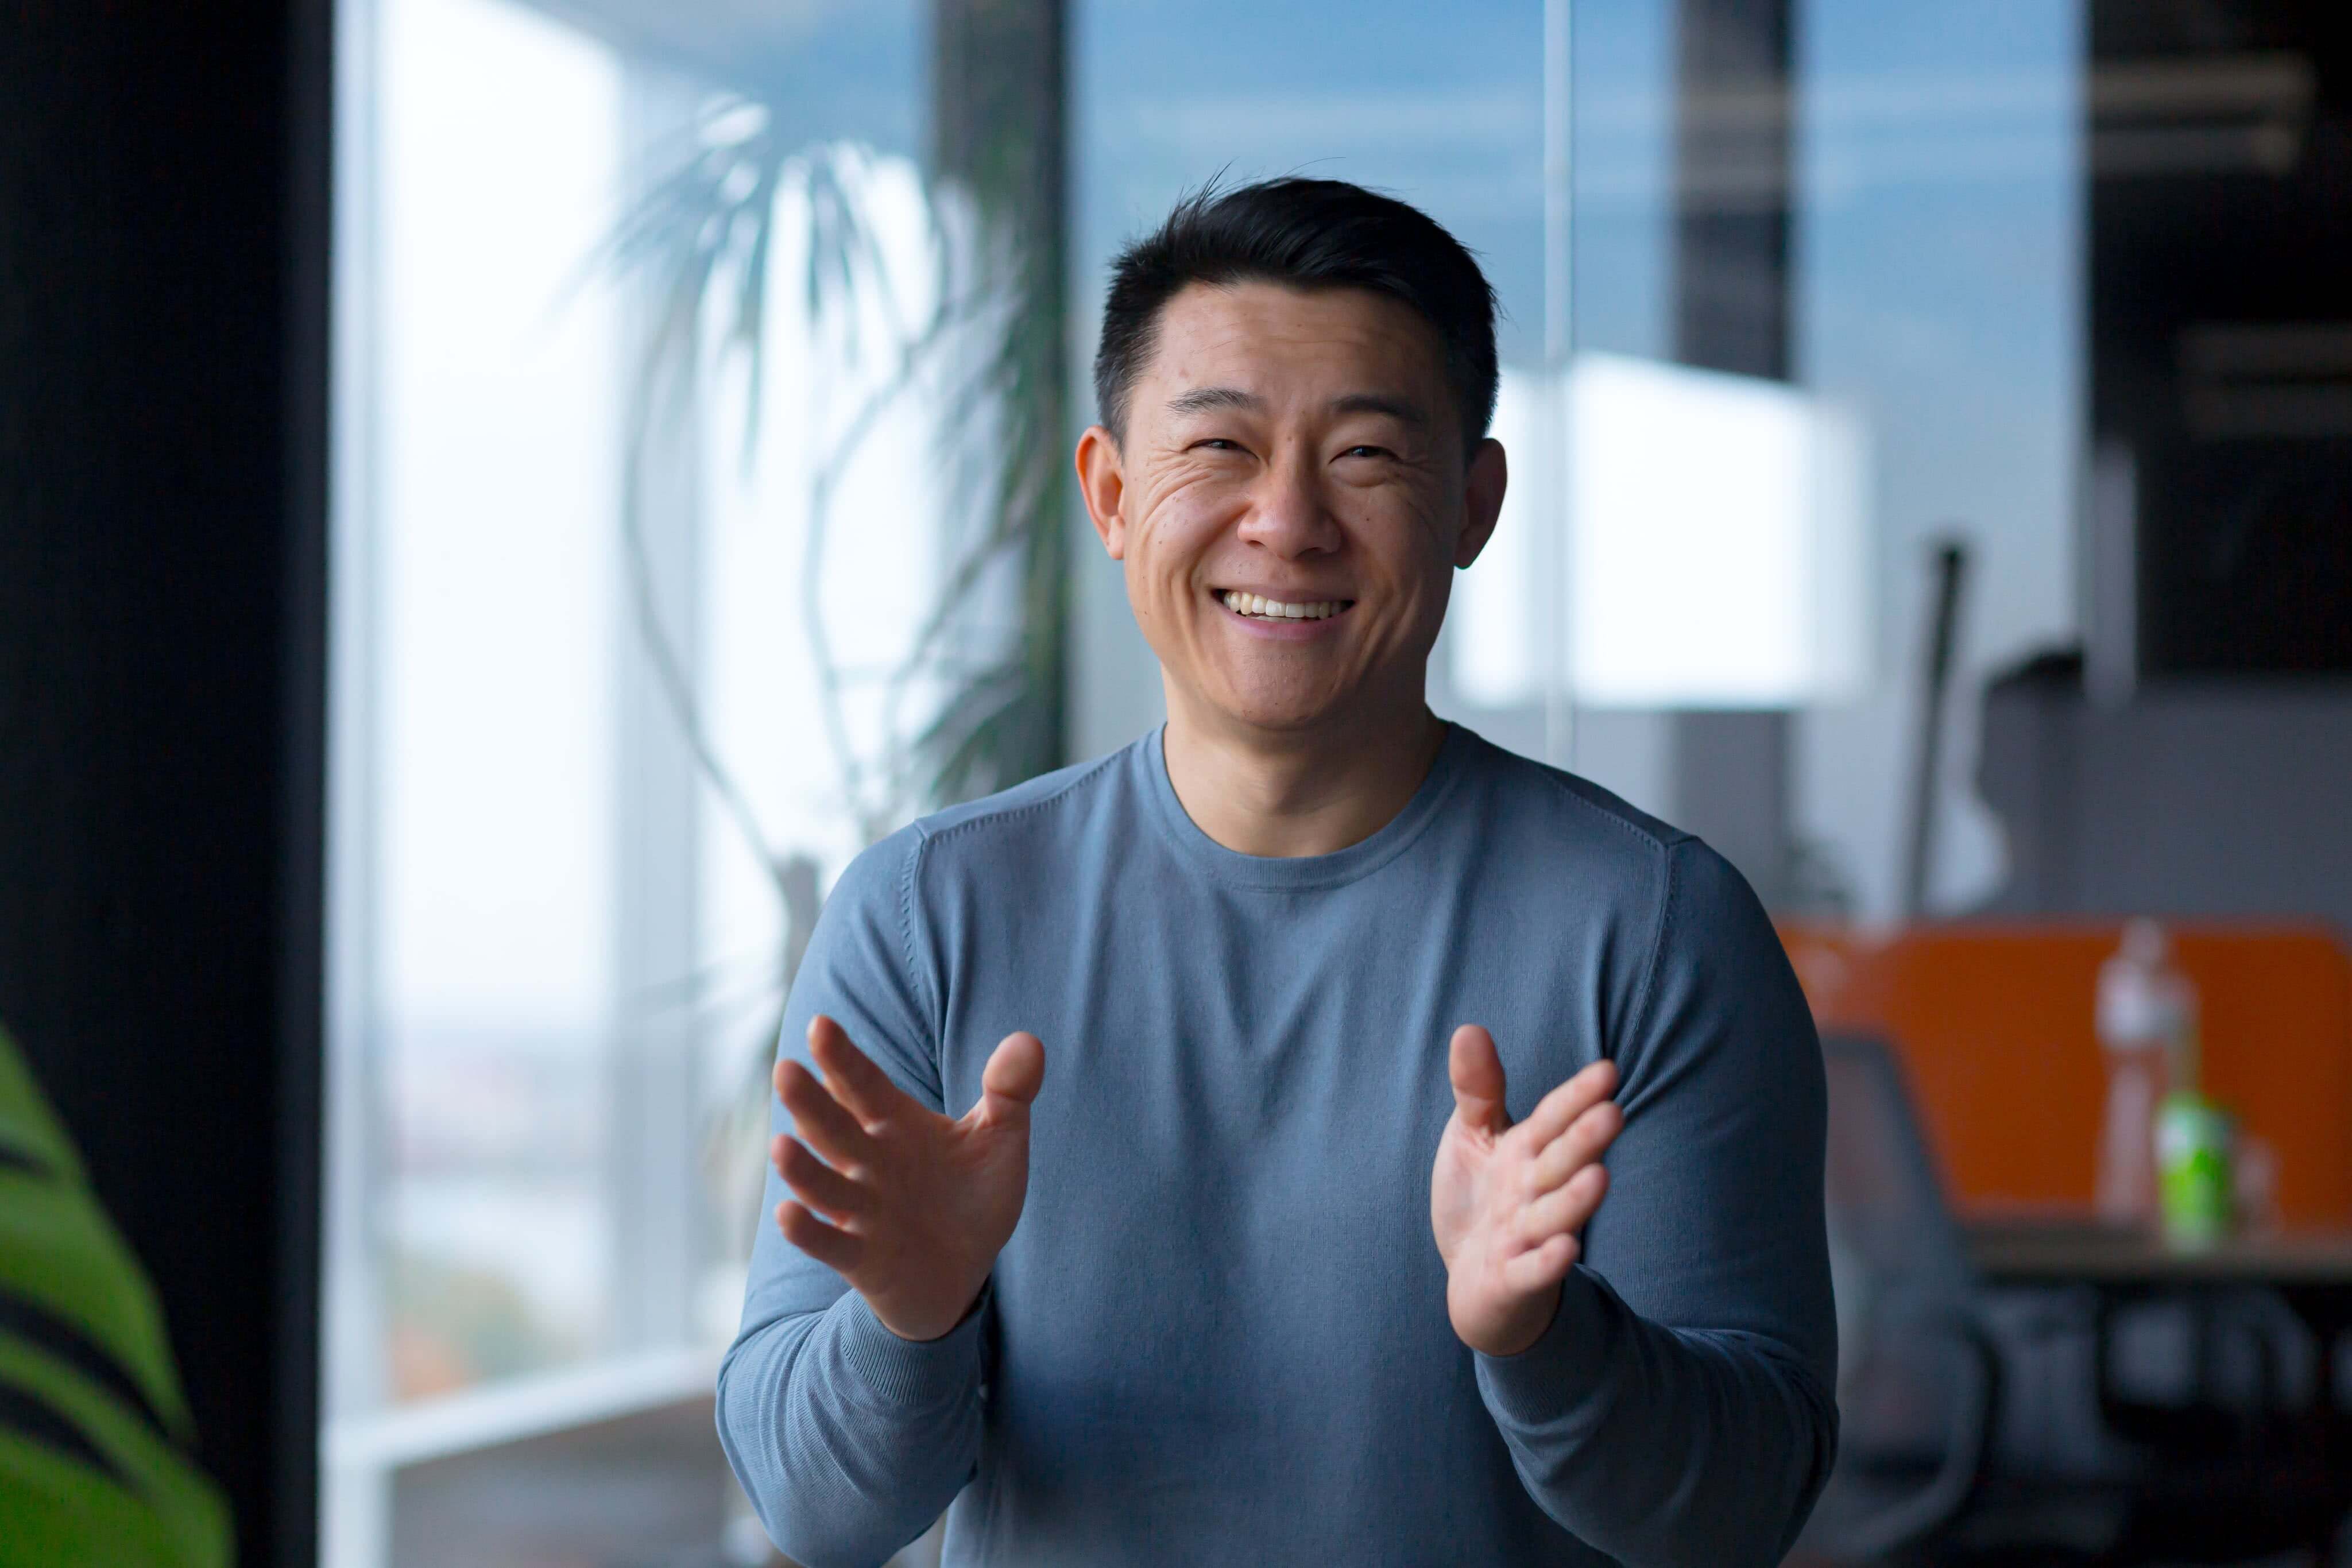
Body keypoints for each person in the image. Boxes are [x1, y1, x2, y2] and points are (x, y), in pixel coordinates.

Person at [717, 177, 1836, 1567]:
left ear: (1474, 502)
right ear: (1114, 496)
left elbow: (1743, 1511)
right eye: (1219, 448)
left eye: (1365, 455)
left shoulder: (1655, 929)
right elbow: (815, 1513)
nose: (1287, 520)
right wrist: (911, 1313)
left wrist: (1544, 1339)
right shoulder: (926, 916)